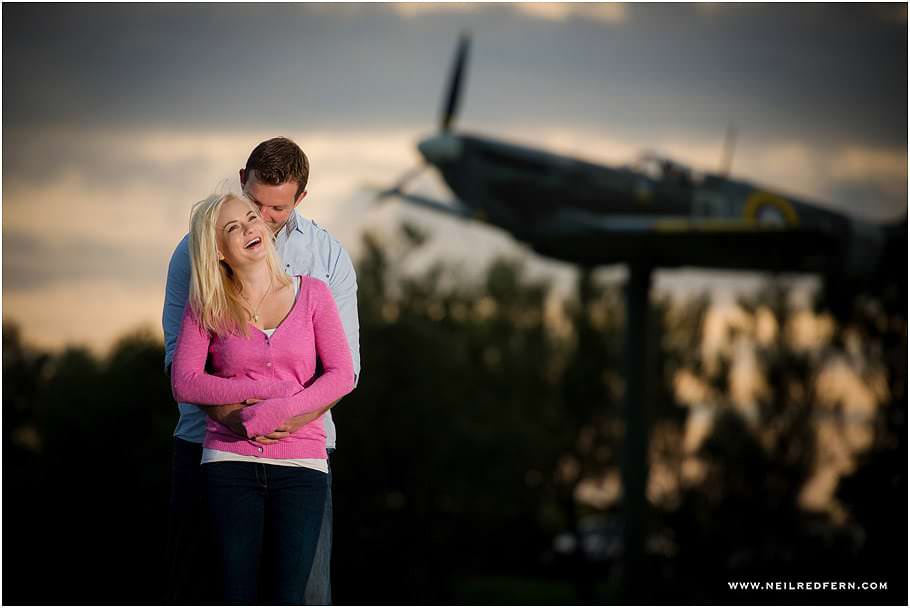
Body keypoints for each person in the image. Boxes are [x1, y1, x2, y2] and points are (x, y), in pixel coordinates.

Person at [163, 137, 360, 604]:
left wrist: (281, 414)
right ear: (240, 182)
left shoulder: (326, 261)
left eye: (277, 209)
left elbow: (344, 371)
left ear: (299, 200)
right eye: (254, 203)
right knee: (204, 589)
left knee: (304, 596)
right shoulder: (196, 254)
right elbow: (181, 364)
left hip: (302, 456)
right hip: (207, 447)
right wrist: (235, 416)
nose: (263, 220)